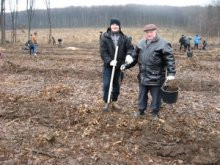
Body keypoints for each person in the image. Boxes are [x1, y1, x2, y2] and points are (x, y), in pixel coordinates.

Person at [121, 24, 176, 119]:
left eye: (151, 32)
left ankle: (155, 113)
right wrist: (126, 65)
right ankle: (141, 110)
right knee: (142, 95)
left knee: (156, 96)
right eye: (147, 32)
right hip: (143, 75)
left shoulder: (163, 44)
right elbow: (134, 58)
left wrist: (171, 73)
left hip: (157, 77)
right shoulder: (141, 43)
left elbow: (170, 59)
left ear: (155, 32)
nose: (149, 34)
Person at [100, 18, 134, 112]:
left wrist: (128, 55)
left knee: (117, 85)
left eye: (116, 25)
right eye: (113, 24)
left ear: (119, 26)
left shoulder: (125, 38)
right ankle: (107, 102)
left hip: (119, 66)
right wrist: (109, 61)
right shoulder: (104, 37)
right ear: (110, 26)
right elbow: (103, 52)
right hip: (108, 66)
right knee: (107, 84)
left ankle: (114, 101)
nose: (115, 26)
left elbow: (130, 48)